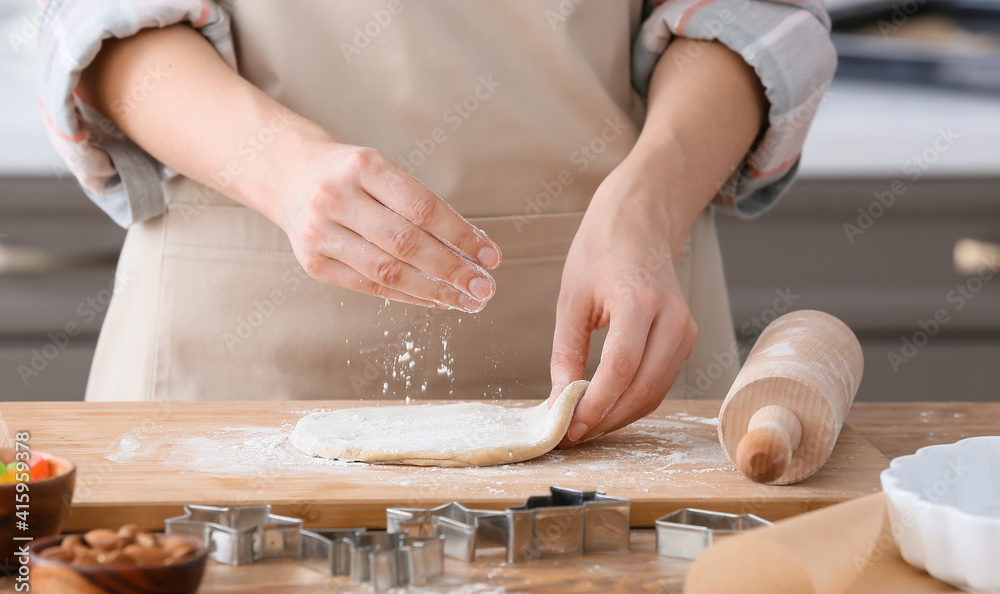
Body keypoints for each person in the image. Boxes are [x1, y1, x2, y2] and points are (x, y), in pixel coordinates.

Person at [38, 0, 835, 446]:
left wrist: (650, 201)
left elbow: (752, 17)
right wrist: (277, 164)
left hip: (611, 353)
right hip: (230, 367)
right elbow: (96, 22)